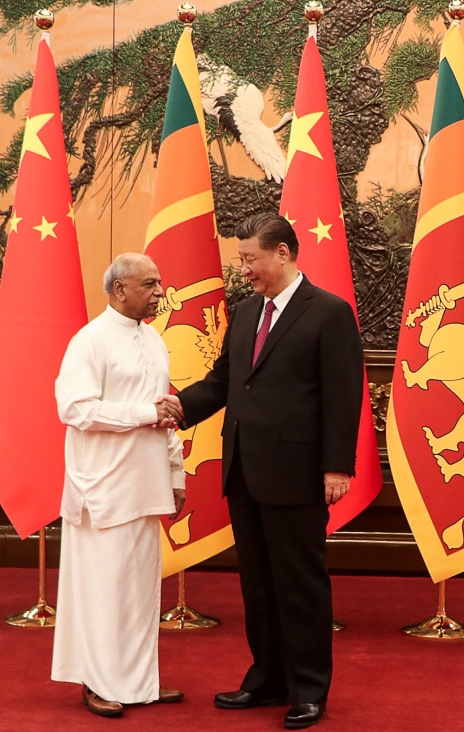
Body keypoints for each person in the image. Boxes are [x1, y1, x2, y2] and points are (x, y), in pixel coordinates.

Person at [162, 213, 364, 729]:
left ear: (284, 253)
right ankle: (267, 677)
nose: (244, 270)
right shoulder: (247, 311)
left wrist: (337, 466)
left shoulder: (330, 313)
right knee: (258, 585)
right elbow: (226, 380)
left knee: (300, 584)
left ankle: (309, 689)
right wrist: (177, 406)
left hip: (298, 473)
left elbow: (344, 397)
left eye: (251, 259)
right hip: (246, 470)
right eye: (241, 260)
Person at [51, 252, 187, 718]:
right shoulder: (89, 341)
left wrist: (175, 474)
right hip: (102, 486)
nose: (159, 292)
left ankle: (136, 683)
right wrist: (143, 414)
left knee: (138, 590)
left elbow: (167, 411)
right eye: (149, 284)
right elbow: (75, 409)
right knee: (102, 589)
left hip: (146, 483)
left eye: (160, 282)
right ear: (118, 289)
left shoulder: (154, 340)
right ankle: (96, 681)